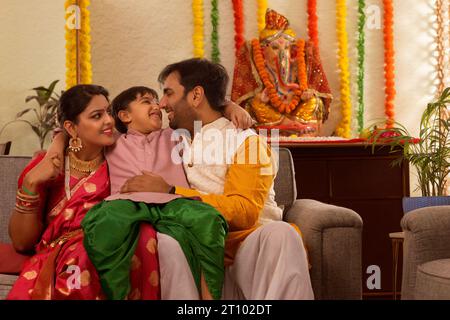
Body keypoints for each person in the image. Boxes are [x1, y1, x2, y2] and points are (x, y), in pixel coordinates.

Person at [125, 58, 314, 299]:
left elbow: (245, 211)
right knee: (162, 242)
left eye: (169, 94)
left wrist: (171, 192)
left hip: (249, 253)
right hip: (199, 253)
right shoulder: (172, 139)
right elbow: (100, 130)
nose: (161, 104)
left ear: (195, 96)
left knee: (281, 234)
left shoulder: (246, 142)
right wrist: (60, 141)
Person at [7, 84, 160, 300]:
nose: (109, 120)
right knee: (85, 251)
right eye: (97, 115)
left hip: (111, 249)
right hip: (65, 258)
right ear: (71, 127)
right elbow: (22, 242)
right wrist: (31, 183)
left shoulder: (121, 157)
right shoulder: (48, 167)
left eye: (108, 111)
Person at [81, 86, 228, 300]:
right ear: (125, 115)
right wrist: (56, 146)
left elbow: (207, 114)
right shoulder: (112, 141)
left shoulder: (176, 135)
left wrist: (230, 107)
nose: (156, 106)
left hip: (173, 202)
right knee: (102, 223)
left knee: (210, 219)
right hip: (125, 203)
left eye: (156, 101)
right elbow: (72, 132)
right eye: (146, 101)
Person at [231, 8, 333, 137]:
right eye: (275, 48)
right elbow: (244, 101)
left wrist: (306, 94)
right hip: (271, 115)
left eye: (286, 48)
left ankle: (292, 126)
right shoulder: (257, 64)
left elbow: (308, 92)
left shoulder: (297, 65)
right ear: (263, 51)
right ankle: (291, 126)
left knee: (314, 101)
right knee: (254, 104)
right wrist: (260, 98)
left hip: (295, 111)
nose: (282, 53)